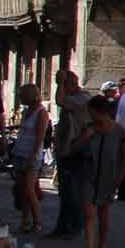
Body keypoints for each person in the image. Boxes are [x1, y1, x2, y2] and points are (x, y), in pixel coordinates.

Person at [72, 95, 125, 248]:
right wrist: (85, 137)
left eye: (92, 112)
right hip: (89, 174)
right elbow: (73, 149)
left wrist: (120, 177)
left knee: (103, 213)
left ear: (99, 112)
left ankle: (101, 247)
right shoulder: (88, 128)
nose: (90, 116)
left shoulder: (119, 131)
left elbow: (123, 157)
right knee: (89, 212)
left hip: (108, 176)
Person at [49, 69, 91, 238]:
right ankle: (63, 225)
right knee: (64, 190)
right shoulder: (74, 98)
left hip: (77, 149)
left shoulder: (82, 98)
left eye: (64, 86)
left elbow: (59, 100)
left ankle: (74, 227)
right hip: (65, 148)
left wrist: (59, 82)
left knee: (74, 190)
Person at [6, 83, 49, 232]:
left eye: (21, 95)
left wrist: (33, 156)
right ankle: (25, 220)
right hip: (20, 152)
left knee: (30, 190)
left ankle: (37, 221)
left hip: (32, 155)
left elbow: (40, 137)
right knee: (21, 190)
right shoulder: (26, 111)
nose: (19, 98)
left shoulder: (41, 112)